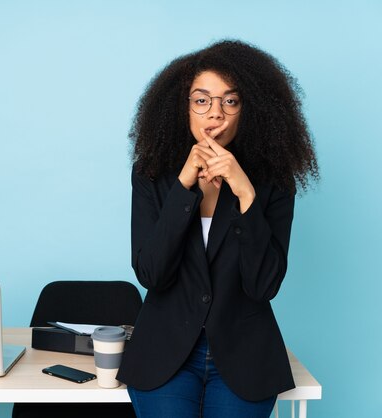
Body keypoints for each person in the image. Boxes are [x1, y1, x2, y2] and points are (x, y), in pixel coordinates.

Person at [116, 40, 319, 418]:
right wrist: (183, 187)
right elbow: (152, 273)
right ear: (183, 108)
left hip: (245, 358)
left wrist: (245, 192)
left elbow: (264, 285)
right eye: (201, 100)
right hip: (165, 354)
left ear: (249, 108)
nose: (216, 115)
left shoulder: (274, 180)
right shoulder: (152, 173)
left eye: (230, 101)